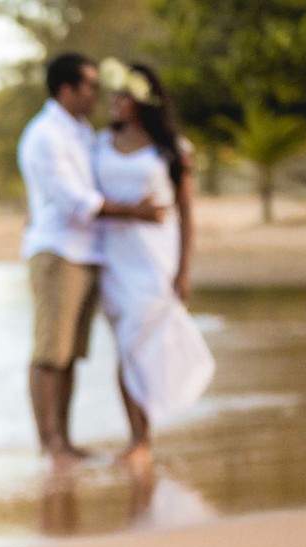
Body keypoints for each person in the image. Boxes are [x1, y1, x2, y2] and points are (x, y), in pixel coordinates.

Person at [17, 53, 165, 466]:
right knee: (50, 353)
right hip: (58, 252)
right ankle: (50, 444)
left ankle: (63, 440)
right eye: (90, 87)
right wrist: (136, 212)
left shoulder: (82, 132)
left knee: (69, 356)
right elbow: (73, 201)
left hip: (87, 253)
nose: (97, 94)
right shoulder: (47, 135)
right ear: (67, 90)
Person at [92, 60, 215, 471]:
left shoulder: (174, 150)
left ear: (143, 101)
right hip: (113, 261)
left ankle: (144, 435)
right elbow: (86, 202)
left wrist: (184, 269)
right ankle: (138, 437)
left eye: (123, 96)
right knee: (126, 348)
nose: (115, 103)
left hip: (155, 260)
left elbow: (186, 213)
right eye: (113, 96)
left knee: (146, 346)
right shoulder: (98, 145)